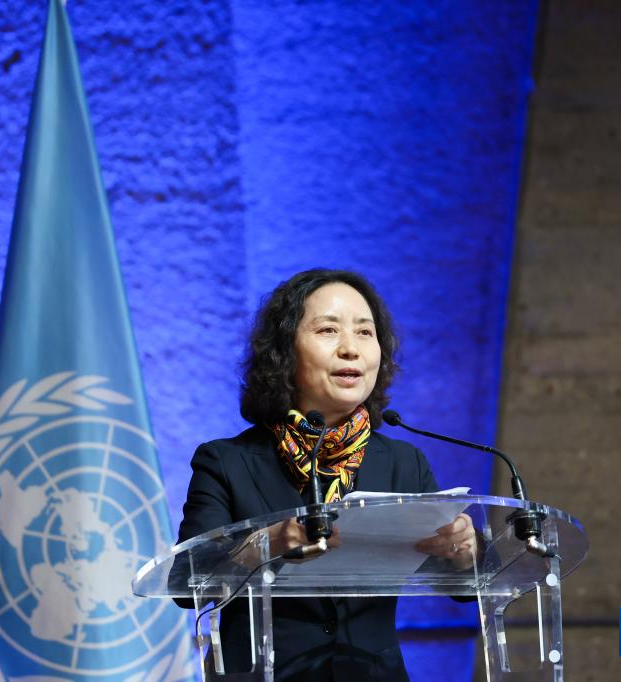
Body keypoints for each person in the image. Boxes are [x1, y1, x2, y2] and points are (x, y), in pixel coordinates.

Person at [176, 268, 477, 681]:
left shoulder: (403, 463)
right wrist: (265, 545)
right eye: (328, 330)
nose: (350, 349)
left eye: (365, 332)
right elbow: (186, 582)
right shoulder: (227, 461)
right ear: (284, 351)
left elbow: (464, 588)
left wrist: (465, 552)